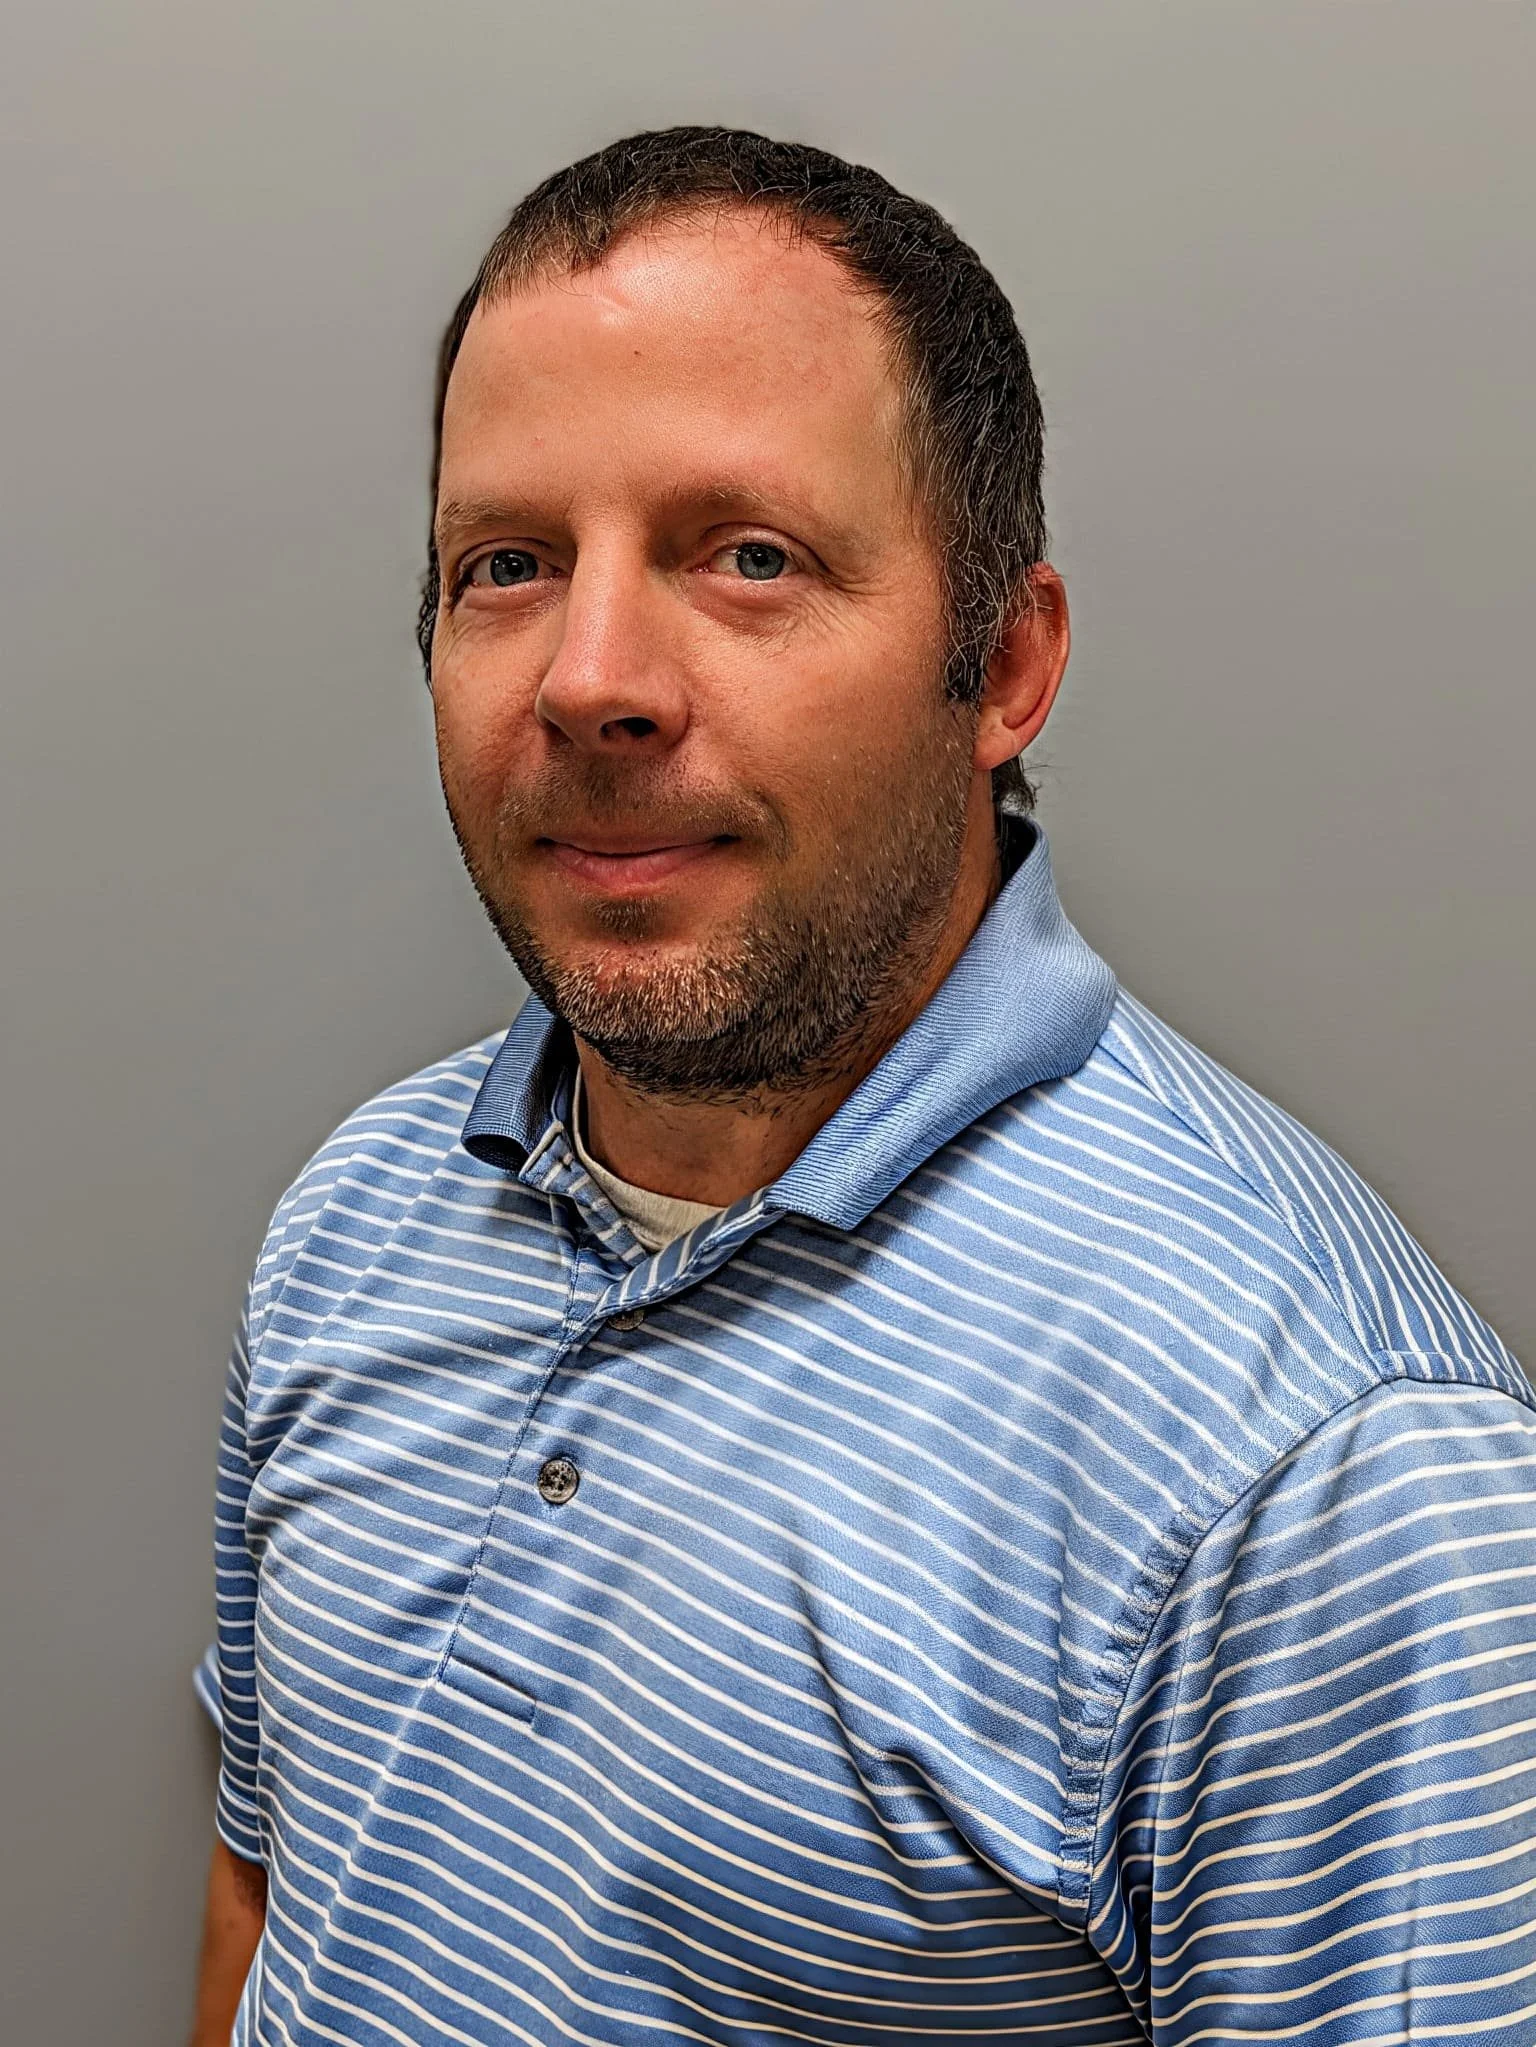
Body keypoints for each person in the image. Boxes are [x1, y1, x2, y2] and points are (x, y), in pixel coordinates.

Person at [188, 127, 1536, 2047]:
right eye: (507, 564)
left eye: (747, 555)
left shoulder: (1321, 1468)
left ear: (1002, 662)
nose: (590, 678)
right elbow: (272, 1880)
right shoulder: (355, 1214)